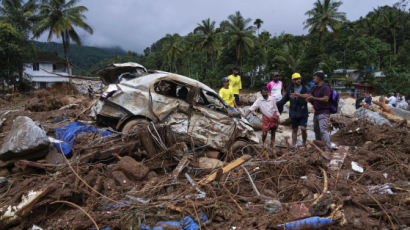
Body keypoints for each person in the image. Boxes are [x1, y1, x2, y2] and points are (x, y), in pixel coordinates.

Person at [292, 72, 332, 153]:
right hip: (317, 112)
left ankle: (328, 149)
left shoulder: (326, 87)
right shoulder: (315, 88)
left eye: (314, 78)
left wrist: (314, 98)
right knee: (316, 130)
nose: (313, 79)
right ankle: (319, 147)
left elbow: (326, 99)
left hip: (324, 112)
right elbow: (308, 95)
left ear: (319, 78)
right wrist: (298, 95)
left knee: (323, 130)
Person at [277, 73, 309, 148]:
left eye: (299, 79)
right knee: (294, 129)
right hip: (293, 113)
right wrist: (276, 104)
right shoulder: (290, 89)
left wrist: (298, 95)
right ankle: (294, 145)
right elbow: (284, 100)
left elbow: (309, 95)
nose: (298, 80)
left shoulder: (305, 88)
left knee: (303, 128)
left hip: (303, 112)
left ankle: (304, 143)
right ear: (293, 80)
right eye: (296, 79)